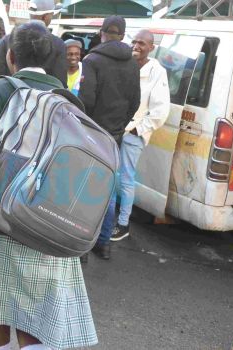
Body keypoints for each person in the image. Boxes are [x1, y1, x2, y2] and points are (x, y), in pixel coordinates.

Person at [0, 21, 98, 350]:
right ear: (50, 56)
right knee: (36, 322)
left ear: (9, 57)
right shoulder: (67, 100)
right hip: (51, 225)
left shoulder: (0, 91)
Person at [78, 15, 140, 261]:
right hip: (115, 136)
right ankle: (103, 243)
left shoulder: (92, 60)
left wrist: (87, 129)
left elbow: (86, 101)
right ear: (123, 36)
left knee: (82, 189)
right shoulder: (133, 64)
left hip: (92, 133)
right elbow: (134, 102)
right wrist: (118, 128)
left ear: (102, 33)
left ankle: (81, 246)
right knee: (107, 190)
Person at [111, 29, 171, 241]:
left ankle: (123, 224)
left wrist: (138, 130)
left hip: (133, 133)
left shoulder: (157, 71)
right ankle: (106, 220)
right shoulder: (126, 63)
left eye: (142, 44)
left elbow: (161, 110)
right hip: (116, 128)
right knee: (109, 175)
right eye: (134, 42)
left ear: (151, 48)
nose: (136, 46)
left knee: (126, 179)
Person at [0, 0, 67, 87]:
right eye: (52, 15)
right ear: (45, 17)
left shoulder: (6, 41)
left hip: (10, 97)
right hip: (45, 99)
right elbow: (61, 84)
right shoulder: (58, 44)